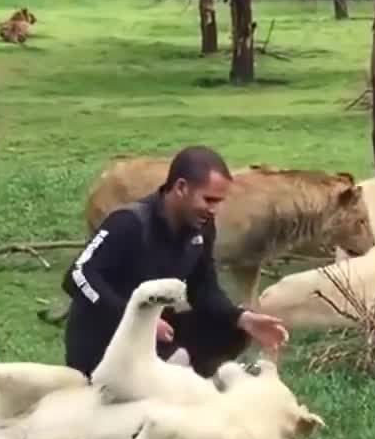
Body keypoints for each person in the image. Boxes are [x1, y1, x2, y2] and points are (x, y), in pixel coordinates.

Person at [61, 145, 289, 379]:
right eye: (209, 200)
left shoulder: (200, 227)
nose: (215, 210)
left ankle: (187, 378)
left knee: (232, 330)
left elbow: (203, 289)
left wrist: (242, 317)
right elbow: (77, 276)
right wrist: (137, 320)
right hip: (104, 337)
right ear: (181, 187)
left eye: (219, 201)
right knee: (176, 362)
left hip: (153, 327)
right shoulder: (130, 223)